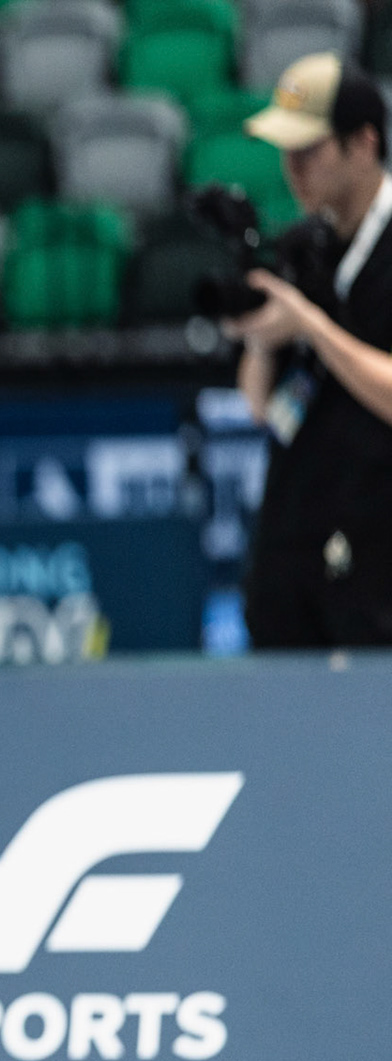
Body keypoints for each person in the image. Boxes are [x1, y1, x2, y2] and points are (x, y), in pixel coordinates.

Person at [225, 53, 392, 646]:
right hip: (292, 541)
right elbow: (256, 405)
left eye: (310, 150)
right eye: (285, 151)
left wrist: (311, 325)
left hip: (377, 559)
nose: (293, 169)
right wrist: (260, 339)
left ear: (364, 143)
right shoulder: (302, 246)